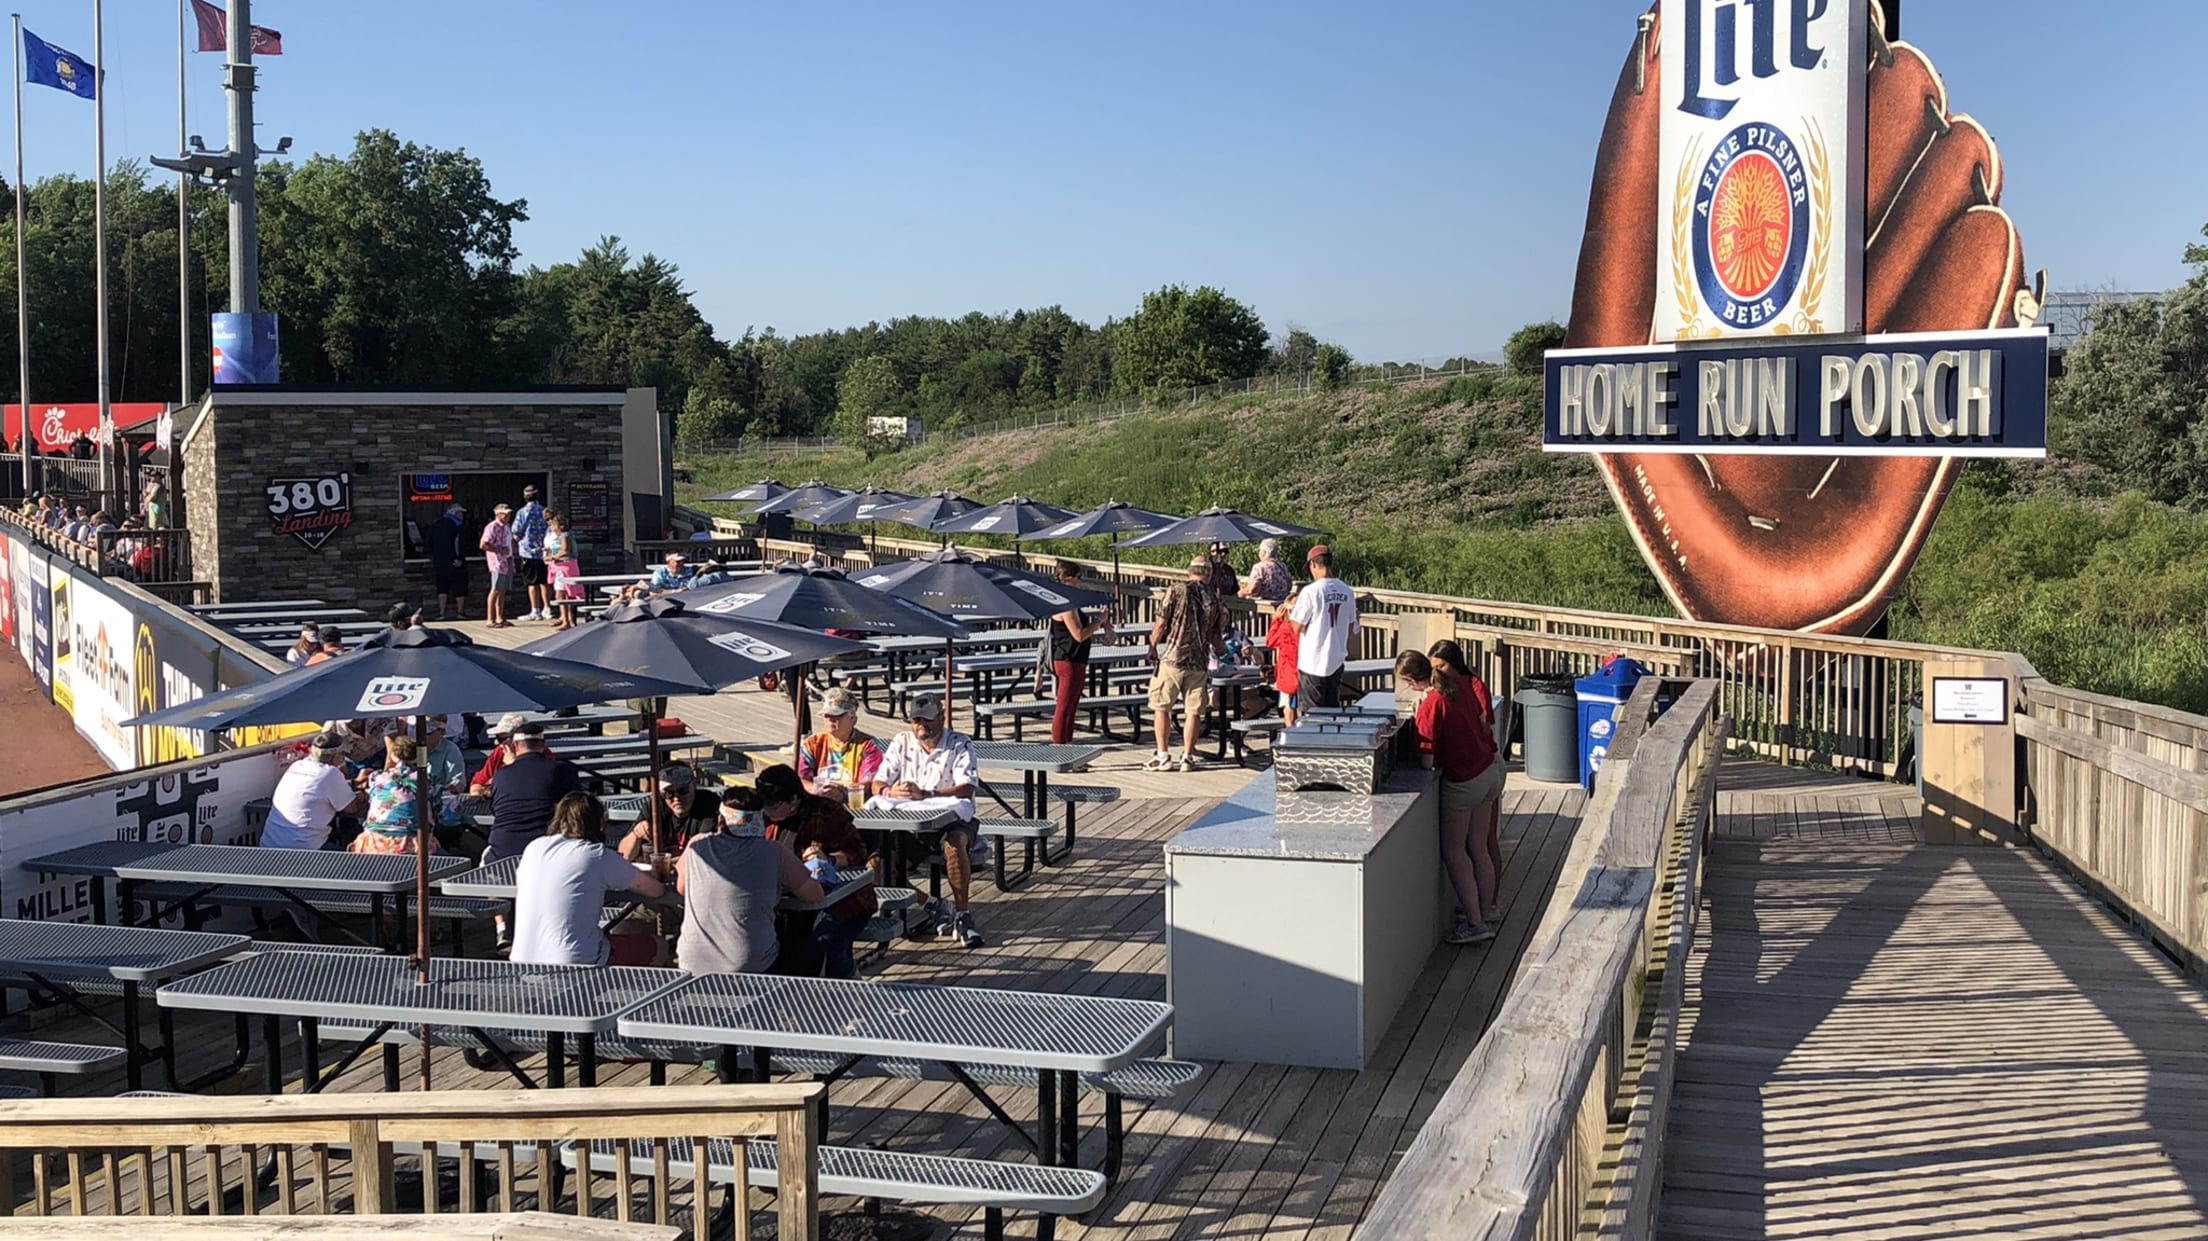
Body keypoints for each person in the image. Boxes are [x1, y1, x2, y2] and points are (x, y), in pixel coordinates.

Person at [1397, 650, 1503, 944]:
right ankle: (1487, 910)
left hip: (1463, 781)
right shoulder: (1460, 687)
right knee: (1479, 848)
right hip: (1488, 772)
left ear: (1411, 680)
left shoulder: (1431, 704)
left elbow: (1427, 759)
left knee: (1455, 855)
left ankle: (1475, 923)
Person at [865, 692, 985, 946]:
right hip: (908, 821)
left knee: (954, 844)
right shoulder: (901, 741)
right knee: (878, 864)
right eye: (916, 720)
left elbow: (967, 787)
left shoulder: (960, 743)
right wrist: (889, 791)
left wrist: (927, 793)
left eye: (927, 719)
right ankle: (932, 903)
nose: (921, 725)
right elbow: (877, 782)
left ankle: (963, 914)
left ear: (941, 717)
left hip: (952, 818)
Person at [676, 788, 823, 975]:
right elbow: (815, 895)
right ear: (760, 819)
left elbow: (682, 888)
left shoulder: (696, 845)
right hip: (750, 964)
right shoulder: (774, 851)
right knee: (811, 948)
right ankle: (795, 1003)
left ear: (721, 819)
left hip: (691, 962)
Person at [510, 792, 665, 967]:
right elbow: (655, 890)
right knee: (659, 946)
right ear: (598, 823)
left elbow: (521, 885)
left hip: (520, 962)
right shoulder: (596, 854)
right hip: (576, 962)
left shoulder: (534, 847)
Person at [756, 765, 876, 979]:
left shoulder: (826, 812)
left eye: (774, 805)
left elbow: (859, 853)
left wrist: (829, 859)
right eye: (764, 805)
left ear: (794, 800)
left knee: (824, 946)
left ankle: (851, 984)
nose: (768, 811)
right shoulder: (758, 818)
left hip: (842, 902)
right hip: (784, 904)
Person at [486, 723, 582, 950]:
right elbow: (578, 809)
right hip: (547, 851)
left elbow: (496, 809)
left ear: (515, 746)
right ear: (544, 745)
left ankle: (502, 928)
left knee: (487, 863)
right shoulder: (562, 770)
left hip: (502, 850)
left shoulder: (501, 776)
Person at [1430, 638, 1503, 911]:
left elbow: (1485, 727)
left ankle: (1490, 905)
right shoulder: (1453, 689)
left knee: (1485, 842)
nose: (1437, 672)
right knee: (1478, 845)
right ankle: (1486, 907)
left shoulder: (1472, 686)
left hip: (1480, 766)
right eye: (1433, 667)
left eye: (1442, 665)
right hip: (1484, 767)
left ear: (1455, 663)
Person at [1143, 556, 1225, 772]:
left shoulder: (1176, 590)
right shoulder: (1214, 599)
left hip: (1173, 657)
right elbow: (1215, 636)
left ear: (1190, 571)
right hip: (1199, 661)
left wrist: (1152, 647)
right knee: (1193, 711)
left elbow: (1161, 623)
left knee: (1161, 707)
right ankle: (1187, 756)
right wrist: (1222, 651)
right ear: (1208, 574)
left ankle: (1163, 755)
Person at [261, 732, 364, 850]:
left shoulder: (297, 765)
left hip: (270, 845)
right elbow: (352, 808)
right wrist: (361, 796)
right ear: (337, 755)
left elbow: (318, 788)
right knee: (357, 863)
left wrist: (355, 783)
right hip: (305, 849)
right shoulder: (330, 773)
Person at [1044, 561, 1110, 745]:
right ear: (1069, 579)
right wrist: (1098, 621)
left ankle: (1068, 744)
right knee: (1064, 707)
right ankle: (1059, 747)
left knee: (1072, 706)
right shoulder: (1066, 604)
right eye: (1078, 577)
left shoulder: (1067, 602)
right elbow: (1079, 635)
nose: (1080, 582)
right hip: (1068, 659)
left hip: (1076, 659)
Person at [349, 735, 447, 856]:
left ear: (393, 755)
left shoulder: (376, 777)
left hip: (372, 843)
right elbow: (440, 809)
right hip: (412, 845)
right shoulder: (426, 781)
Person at [1289, 544, 1360, 710]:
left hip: (1312, 661)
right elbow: (1350, 627)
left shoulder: (1310, 591)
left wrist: (1292, 610)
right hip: (1336, 659)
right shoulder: (1347, 591)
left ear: (1314, 564)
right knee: (1332, 712)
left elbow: (1297, 627)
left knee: (1311, 718)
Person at [617, 762, 724, 860]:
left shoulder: (708, 804)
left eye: (683, 790)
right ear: (661, 793)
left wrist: (664, 863)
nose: (677, 798)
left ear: (694, 785)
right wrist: (636, 833)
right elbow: (623, 856)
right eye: (670, 793)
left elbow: (702, 853)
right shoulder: (654, 807)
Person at [797, 688, 883, 802]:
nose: (829, 719)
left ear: (853, 719)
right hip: (818, 803)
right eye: (826, 715)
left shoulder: (868, 746)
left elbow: (868, 785)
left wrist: (842, 794)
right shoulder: (813, 743)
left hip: (853, 805)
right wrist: (816, 789)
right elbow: (800, 779)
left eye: (836, 715)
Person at [468, 712, 540, 794]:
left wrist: (513, 766)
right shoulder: (500, 752)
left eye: (502, 738)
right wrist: (476, 791)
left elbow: (532, 788)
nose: (497, 743)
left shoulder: (540, 756)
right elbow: (479, 780)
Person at [513, 484, 550, 622]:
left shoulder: (522, 512)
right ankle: (548, 608)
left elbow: (516, 531)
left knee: (531, 583)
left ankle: (535, 610)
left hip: (528, 552)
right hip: (544, 551)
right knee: (544, 581)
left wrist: (518, 538)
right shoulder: (544, 511)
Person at [427, 502, 469, 620]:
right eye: (461, 513)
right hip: (455, 561)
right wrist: (459, 558)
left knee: (442, 587)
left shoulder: (436, 524)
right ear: (455, 513)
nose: (462, 515)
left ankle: (442, 613)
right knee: (459, 587)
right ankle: (460, 612)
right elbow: (460, 544)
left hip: (439, 561)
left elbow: (429, 541)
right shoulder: (458, 525)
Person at [1264, 598, 1301, 727]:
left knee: (1289, 710)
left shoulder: (1285, 628)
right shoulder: (1307, 628)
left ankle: (1291, 735)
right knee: (1292, 708)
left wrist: (1276, 620)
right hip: (1297, 674)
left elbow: (1270, 641)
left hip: (1289, 675)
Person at [479, 502, 516, 628]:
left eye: (509, 514)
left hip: (508, 560)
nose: (508, 516)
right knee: (495, 589)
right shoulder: (492, 527)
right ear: (498, 514)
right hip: (497, 562)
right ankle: (490, 619)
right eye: (505, 514)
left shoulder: (506, 527)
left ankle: (499, 617)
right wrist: (499, 550)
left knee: (502, 590)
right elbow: (483, 544)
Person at [544, 512, 583, 630]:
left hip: (565, 566)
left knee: (561, 593)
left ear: (559, 525)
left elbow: (565, 550)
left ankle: (567, 620)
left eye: (553, 525)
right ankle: (568, 620)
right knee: (565, 593)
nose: (552, 528)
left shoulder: (564, 535)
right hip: (566, 566)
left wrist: (552, 557)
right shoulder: (567, 535)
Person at [1240, 538, 1294, 607]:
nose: (1259, 553)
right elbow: (1289, 585)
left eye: (1260, 551)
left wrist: (1242, 592)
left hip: (1263, 608)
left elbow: (1252, 589)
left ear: (1264, 553)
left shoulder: (1259, 567)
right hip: (1281, 606)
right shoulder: (1282, 566)